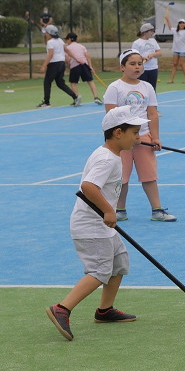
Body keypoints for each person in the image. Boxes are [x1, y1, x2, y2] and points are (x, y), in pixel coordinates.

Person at [45, 106, 150, 340]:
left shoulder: (111, 155)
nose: (138, 137)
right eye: (134, 132)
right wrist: (108, 210)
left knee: (119, 264)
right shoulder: (106, 159)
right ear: (118, 132)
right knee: (100, 270)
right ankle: (62, 308)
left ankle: (105, 310)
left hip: (101, 225)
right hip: (91, 226)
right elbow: (88, 186)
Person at [104, 49, 176, 222]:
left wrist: (155, 137)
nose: (137, 67)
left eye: (140, 63)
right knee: (121, 177)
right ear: (122, 67)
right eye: (132, 64)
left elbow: (152, 113)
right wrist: (129, 136)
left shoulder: (147, 87)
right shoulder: (115, 87)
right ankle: (120, 210)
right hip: (122, 141)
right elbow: (112, 115)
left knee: (149, 176)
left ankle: (157, 210)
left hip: (144, 138)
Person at [38, 25, 79, 108]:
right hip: (61, 64)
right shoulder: (60, 41)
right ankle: (75, 97)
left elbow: (50, 55)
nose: (45, 34)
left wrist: (44, 66)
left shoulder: (51, 42)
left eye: (46, 33)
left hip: (54, 64)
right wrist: (76, 58)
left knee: (47, 82)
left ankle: (46, 102)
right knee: (60, 83)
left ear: (49, 33)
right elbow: (67, 50)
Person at [64, 33, 103, 105]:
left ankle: (76, 98)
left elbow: (67, 59)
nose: (66, 41)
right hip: (84, 65)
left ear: (69, 39)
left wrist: (69, 65)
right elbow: (87, 56)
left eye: (67, 39)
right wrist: (90, 66)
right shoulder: (81, 46)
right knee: (90, 81)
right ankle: (96, 97)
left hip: (75, 66)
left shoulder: (68, 48)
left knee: (73, 83)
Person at [131, 22, 162, 88]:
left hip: (153, 68)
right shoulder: (136, 43)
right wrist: (142, 58)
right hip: (142, 69)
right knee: (142, 88)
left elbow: (159, 52)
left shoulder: (153, 41)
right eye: (151, 31)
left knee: (152, 89)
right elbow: (133, 56)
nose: (153, 33)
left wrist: (152, 54)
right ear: (145, 32)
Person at [168, 19, 185, 84]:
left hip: (182, 50)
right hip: (175, 50)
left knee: (182, 64)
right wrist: (167, 19)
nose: (181, 24)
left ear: (184, 24)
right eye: (180, 23)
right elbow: (170, 27)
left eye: (183, 23)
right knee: (174, 64)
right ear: (178, 24)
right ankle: (171, 79)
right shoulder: (175, 30)